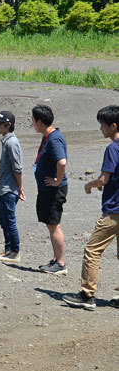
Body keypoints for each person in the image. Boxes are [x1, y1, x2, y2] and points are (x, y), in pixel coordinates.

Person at [62, 106, 119, 310]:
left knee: (92, 250)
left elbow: (103, 179)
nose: (100, 129)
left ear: (113, 126)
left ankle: (87, 295)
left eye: (102, 125)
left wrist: (90, 184)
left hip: (115, 210)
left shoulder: (113, 148)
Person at [31, 104, 68, 275]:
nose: (32, 123)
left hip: (54, 190)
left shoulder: (54, 139)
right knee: (51, 224)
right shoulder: (48, 137)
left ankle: (60, 263)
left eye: (33, 120)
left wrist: (57, 181)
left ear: (39, 121)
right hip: (47, 190)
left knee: (54, 225)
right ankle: (56, 259)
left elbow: (62, 162)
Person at [0, 111, 26, 264]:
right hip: (5, 188)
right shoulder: (7, 141)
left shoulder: (11, 143)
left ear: (8, 125)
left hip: (9, 189)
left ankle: (14, 252)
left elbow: (17, 168)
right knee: (3, 220)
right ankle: (8, 250)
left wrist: (20, 188)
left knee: (9, 220)